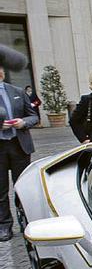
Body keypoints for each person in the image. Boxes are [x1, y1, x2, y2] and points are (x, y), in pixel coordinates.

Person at [0, 66, 38, 241]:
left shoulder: (16, 91)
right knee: (1, 190)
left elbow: (33, 116)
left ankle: (26, 221)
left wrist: (23, 122)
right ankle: (4, 226)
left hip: (19, 146)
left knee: (22, 186)